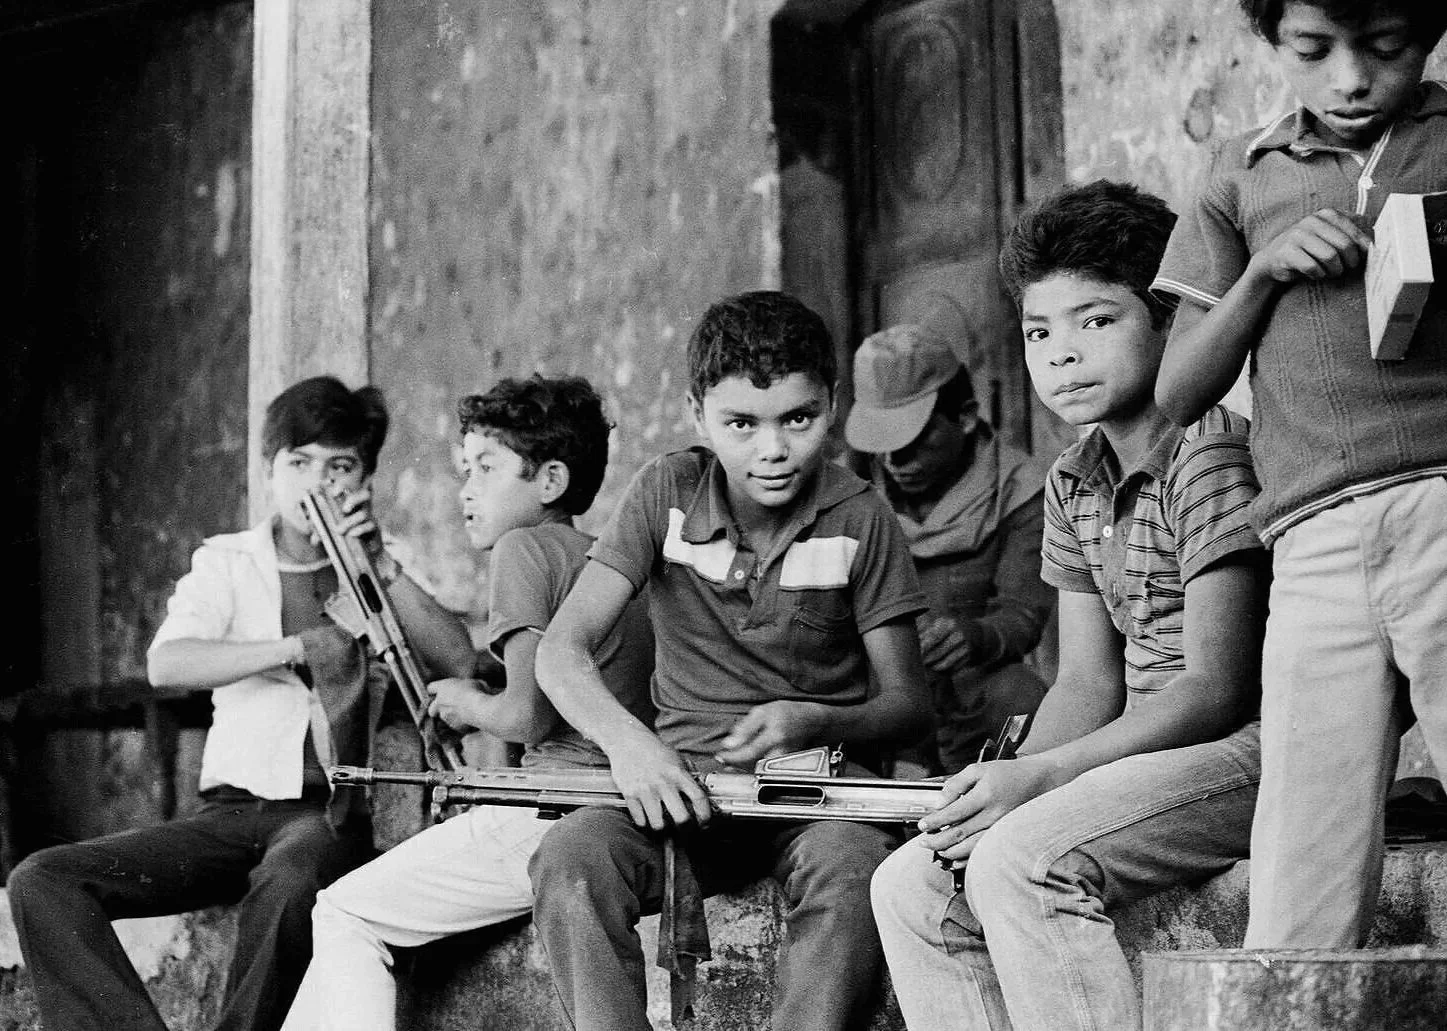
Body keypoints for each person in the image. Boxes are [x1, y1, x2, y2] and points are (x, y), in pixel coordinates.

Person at [870, 181, 1269, 1031]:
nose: (1061, 354)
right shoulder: (1069, 479)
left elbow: (1216, 689)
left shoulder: (1207, 457)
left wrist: (1043, 777)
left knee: (1019, 861)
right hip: (1140, 755)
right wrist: (995, 786)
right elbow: (1086, 682)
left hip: (1247, 753)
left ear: (1170, 322)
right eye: (1038, 331)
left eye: (1097, 321)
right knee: (911, 879)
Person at [7, 376, 476, 1031]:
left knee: (289, 881)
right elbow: (168, 661)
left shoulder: (380, 566)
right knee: (43, 879)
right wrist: (292, 648)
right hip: (226, 816)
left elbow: (460, 660)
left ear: (363, 479)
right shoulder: (228, 562)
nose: (318, 482)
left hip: (325, 816)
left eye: (339, 465)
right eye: (299, 462)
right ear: (268, 471)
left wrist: (374, 564)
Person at [529, 290, 932, 1031]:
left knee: (854, 874)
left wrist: (814, 718)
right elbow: (560, 651)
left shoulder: (861, 518)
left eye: (798, 419)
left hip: (817, 802)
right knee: (571, 856)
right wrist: (631, 748)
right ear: (696, 415)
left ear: (833, 405)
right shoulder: (665, 494)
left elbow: (908, 701)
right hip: (681, 790)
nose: (771, 450)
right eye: (740, 424)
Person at [1151, 0, 1447, 949]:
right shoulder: (1240, 172)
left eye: (1386, 46)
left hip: (1441, 503)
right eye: (1314, 52)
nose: (1351, 79)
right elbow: (1177, 391)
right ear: (1271, 43)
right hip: (1310, 539)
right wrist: (1264, 273)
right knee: (1301, 857)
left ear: (1431, 34)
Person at [278, 374, 654, 1031]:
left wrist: (461, 702)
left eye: (486, 467)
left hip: (550, 809)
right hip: (608, 817)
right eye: (463, 471)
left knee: (342, 912)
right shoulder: (600, 560)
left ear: (550, 481)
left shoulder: (522, 549)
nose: (467, 490)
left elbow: (526, 715)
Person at [844, 324, 1053, 773]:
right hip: (873, 692)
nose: (894, 463)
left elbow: (1022, 613)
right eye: (882, 446)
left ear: (965, 416)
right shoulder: (848, 492)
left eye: (912, 442)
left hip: (970, 692)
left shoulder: (1018, 490)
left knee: (1019, 700)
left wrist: (975, 636)